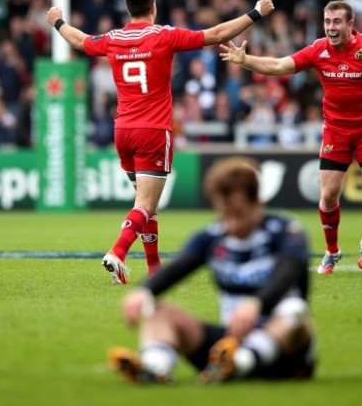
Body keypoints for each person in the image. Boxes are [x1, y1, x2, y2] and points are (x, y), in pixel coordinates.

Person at [46, 0, 274, 283]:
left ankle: (154, 270)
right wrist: (256, 12)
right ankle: (117, 251)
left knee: (146, 207)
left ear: (129, 9)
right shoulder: (164, 35)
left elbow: (80, 41)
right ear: (153, 7)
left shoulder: (113, 38)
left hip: (123, 131)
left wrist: (57, 21)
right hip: (153, 131)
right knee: (145, 205)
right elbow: (217, 34)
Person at [220, 0, 362, 275]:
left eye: (337, 22)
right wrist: (245, 60)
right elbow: (279, 65)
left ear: (350, 24)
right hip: (336, 130)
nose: (331, 27)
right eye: (327, 22)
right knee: (329, 195)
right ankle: (332, 251)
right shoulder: (318, 49)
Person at [107, 156, 315, 384]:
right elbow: (178, 268)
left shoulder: (287, 232)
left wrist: (257, 303)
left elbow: (288, 273)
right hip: (230, 342)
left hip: (284, 353)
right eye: (225, 216)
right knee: (157, 310)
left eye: (239, 215)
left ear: (258, 203)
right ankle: (155, 367)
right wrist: (143, 293)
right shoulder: (213, 236)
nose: (232, 225)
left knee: (295, 312)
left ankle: (240, 362)